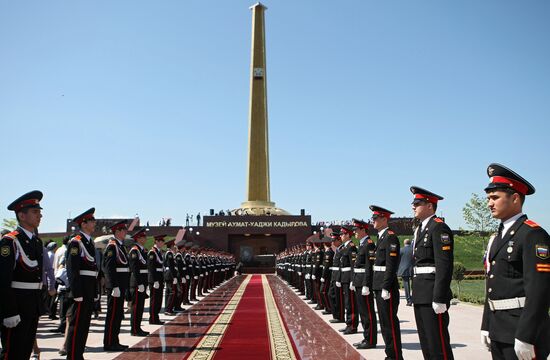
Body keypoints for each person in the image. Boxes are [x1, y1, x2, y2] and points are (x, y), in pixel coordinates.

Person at [480, 163, 550, 360]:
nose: (489, 204)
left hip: (521, 330)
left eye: (495, 198)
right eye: (488, 198)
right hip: (498, 329)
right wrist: (486, 325)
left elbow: (539, 290)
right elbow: (492, 283)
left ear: (515, 198)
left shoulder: (532, 234)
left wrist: (526, 335)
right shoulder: (497, 237)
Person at [410, 187, 454, 360]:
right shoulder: (420, 229)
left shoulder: (439, 228)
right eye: (413, 203)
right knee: (426, 342)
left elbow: (444, 265)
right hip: (421, 292)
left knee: (438, 344)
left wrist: (439, 297)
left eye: (417, 203)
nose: (413, 207)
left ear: (430, 205)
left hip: (432, 294)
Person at [0, 190, 44, 360]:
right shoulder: (10, 242)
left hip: (32, 305)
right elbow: (3, 280)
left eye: (40, 212)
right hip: (17, 304)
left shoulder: (36, 241)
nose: (39, 216)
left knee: (25, 351)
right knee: (12, 352)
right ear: (22, 216)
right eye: (35, 212)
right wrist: (9, 311)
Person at [65, 207, 99, 360]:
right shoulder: (76, 242)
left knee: (84, 324)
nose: (94, 223)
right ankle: (72, 355)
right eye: (91, 220)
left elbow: (93, 270)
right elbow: (72, 269)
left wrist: (95, 290)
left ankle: (78, 354)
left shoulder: (89, 242)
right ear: (83, 224)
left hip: (89, 286)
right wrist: (76, 292)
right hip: (81, 287)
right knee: (77, 323)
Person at [371, 205, 403, 360]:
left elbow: (391, 265)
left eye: (375, 218)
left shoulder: (390, 237)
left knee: (389, 323)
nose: (373, 221)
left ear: (384, 219)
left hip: (386, 287)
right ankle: (390, 354)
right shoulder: (381, 237)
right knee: (384, 324)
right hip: (378, 284)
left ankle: (395, 356)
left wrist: (385, 286)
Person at [102, 220, 130, 351]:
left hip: (121, 285)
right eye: (123, 230)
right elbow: (108, 268)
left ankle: (115, 340)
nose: (125, 232)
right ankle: (109, 342)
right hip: (116, 286)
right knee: (112, 315)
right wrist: (114, 286)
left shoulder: (120, 246)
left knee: (118, 315)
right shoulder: (112, 247)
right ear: (117, 232)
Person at [351, 218, 377, 350]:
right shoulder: (362, 244)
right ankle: (367, 337)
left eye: (356, 229)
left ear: (363, 230)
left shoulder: (369, 244)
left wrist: (367, 284)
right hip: (358, 281)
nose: (354, 232)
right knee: (362, 312)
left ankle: (371, 340)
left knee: (368, 312)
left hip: (364, 283)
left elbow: (369, 266)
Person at [128, 228, 150, 336]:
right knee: (136, 307)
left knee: (140, 306)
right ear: (138, 238)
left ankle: (138, 327)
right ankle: (134, 329)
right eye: (143, 237)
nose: (145, 238)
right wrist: (139, 283)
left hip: (142, 281)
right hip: (137, 282)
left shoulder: (142, 250)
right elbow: (134, 268)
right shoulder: (134, 251)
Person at [338, 225, 358, 335]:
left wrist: (352, 280)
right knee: (347, 303)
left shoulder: (351, 247)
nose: (340, 236)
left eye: (342, 234)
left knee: (351, 303)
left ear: (347, 235)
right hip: (344, 278)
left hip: (349, 278)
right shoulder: (344, 247)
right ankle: (348, 324)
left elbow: (353, 265)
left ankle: (353, 325)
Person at [148, 234, 166, 325]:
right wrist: (155, 280)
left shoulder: (158, 252)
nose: (163, 243)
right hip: (155, 279)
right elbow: (151, 267)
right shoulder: (152, 252)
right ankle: (152, 318)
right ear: (157, 242)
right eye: (161, 241)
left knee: (158, 300)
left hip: (159, 278)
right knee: (154, 300)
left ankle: (156, 317)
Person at [398, 238, 414, 306]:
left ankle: (409, 300)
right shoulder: (413, 250)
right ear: (410, 243)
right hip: (413, 269)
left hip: (404, 269)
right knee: (414, 285)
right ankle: (414, 298)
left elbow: (398, 260)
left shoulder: (401, 250)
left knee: (406, 285)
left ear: (404, 243)